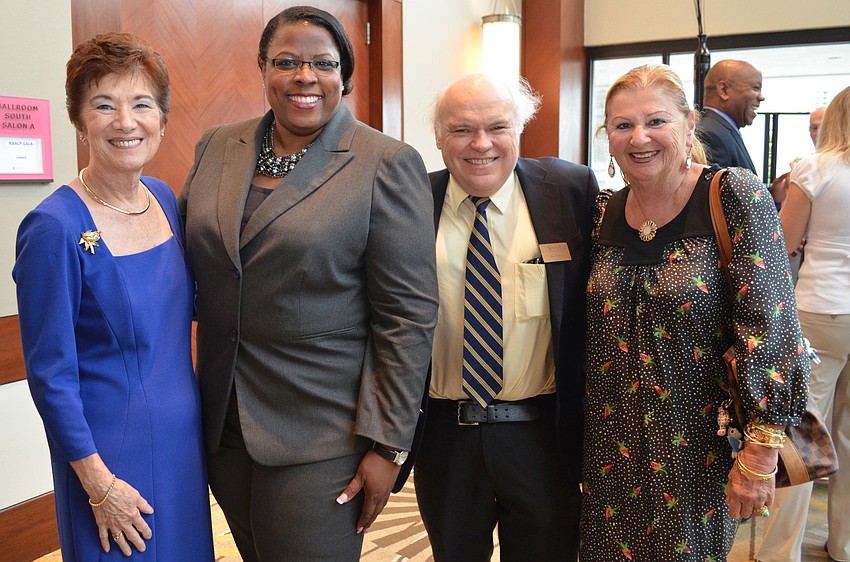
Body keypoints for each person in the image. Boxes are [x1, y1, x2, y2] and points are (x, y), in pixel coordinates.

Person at [178, 6, 438, 561]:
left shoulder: (383, 163)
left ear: (343, 74)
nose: (304, 76)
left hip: (324, 433)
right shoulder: (217, 147)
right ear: (264, 69)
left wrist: (389, 446)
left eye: (322, 63)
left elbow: (408, 317)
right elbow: (186, 262)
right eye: (287, 62)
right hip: (224, 422)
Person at [581, 64, 809, 562]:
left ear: (688, 127)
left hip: (698, 451)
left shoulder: (731, 195)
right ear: (609, 137)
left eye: (655, 121)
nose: (639, 137)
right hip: (609, 450)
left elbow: (770, 325)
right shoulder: (603, 211)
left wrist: (760, 454)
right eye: (622, 125)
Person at [13, 33, 214, 560]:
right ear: (80, 124)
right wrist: (99, 486)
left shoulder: (166, 200)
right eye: (104, 106)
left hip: (181, 444)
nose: (126, 122)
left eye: (141, 104)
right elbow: (50, 374)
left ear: (162, 119)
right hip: (107, 459)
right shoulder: (53, 227)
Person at [413, 73, 598, 561]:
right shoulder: (408, 198)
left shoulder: (570, 191)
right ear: (437, 136)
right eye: (461, 130)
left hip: (543, 436)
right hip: (444, 437)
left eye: (497, 126)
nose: (481, 144)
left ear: (519, 129)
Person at [756, 89, 850, 562]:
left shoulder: (814, 168)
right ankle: (844, 545)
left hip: (821, 308)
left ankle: (780, 552)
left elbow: (783, 242)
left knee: (800, 432)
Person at [696, 59, 765, 173]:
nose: (761, 97)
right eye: (755, 88)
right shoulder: (710, 135)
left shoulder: (723, 129)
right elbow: (716, 190)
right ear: (724, 90)